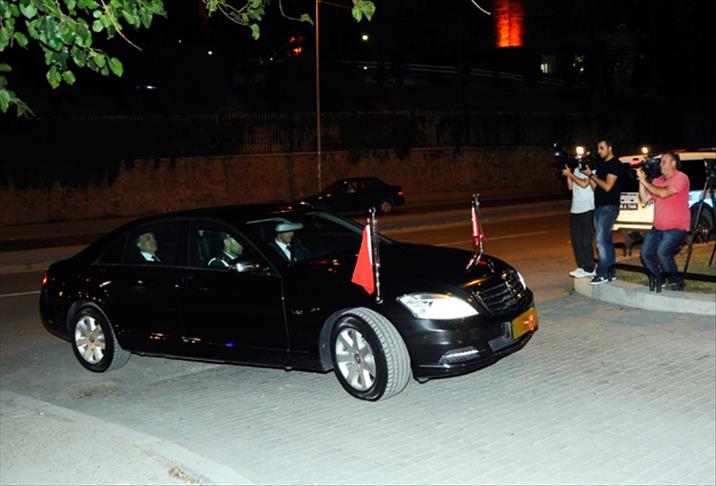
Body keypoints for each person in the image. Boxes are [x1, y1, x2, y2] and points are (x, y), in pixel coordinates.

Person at [636, 152, 690, 291]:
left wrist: (645, 182)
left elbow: (664, 193)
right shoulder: (657, 181)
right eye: (660, 162)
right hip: (657, 227)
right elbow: (644, 199)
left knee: (662, 252)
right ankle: (658, 279)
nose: (661, 165)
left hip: (676, 227)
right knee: (645, 253)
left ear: (673, 163)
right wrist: (642, 181)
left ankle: (676, 282)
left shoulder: (681, 177)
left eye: (664, 161)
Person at [583, 138, 624, 285]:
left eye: (601, 148)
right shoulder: (601, 165)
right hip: (599, 206)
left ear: (609, 148)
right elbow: (596, 188)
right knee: (606, 240)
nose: (599, 151)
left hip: (609, 207)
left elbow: (607, 186)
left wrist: (592, 176)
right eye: (598, 148)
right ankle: (611, 271)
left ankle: (602, 273)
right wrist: (589, 175)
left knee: (600, 240)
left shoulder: (615, 164)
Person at [562, 161, 595, 278]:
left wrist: (570, 175)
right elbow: (571, 187)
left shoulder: (591, 170)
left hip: (587, 209)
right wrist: (569, 175)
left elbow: (584, 184)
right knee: (576, 241)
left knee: (586, 241)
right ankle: (581, 266)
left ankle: (590, 268)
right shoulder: (576, 170)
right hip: (575, 209)